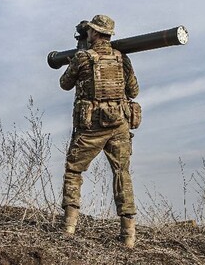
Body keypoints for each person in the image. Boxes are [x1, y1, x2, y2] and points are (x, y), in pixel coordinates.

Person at [59, 14, 140, 248]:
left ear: (93, 33)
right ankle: (128, 236)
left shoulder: (83, 58)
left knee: (74, 169)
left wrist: (77, 56)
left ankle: (69, 227)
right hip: (119, 123)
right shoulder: (121, 58)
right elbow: (133, 91)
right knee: (121, 172)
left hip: (93, 125)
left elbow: (64, 84)